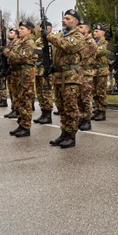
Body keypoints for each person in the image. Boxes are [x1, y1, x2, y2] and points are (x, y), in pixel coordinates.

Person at [46, 9, 85, 148]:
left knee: (70, 107)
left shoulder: (78, 36)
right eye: (64, 18)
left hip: (71, 77)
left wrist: (49, 36)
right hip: (59, 76)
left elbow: (67, 46)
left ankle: (71, 135)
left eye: (67, 18)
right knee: (61, 107)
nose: (64, 20)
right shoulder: (61, 34)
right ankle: (64, 132)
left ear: (75, 22)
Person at [3, 21, 37, 137]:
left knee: (25, 100)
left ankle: (26, 127)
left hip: (25, 74)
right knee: (17, 100)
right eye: (20, 28)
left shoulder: (29, 42)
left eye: (22, 29)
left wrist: (7, 52)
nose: (20, 30)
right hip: (16, 74)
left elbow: (21, 58)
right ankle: (21, 124)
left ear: (29, 30)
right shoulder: (19, 42)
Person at [77, 20, 97, 131]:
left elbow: (82, 55)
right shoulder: (80, 41)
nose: (78, 29)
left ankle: (87, 121)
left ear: (87, 29)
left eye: (81, 27)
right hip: (79, 73)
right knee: (79, 98)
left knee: (86, 98)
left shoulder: (90, 42)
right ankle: (81, 118)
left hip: (87, 73)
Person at [34, 21, 54, 124]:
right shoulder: (38, 40)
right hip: (38, 71)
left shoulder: (51, 41)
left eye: (49, 28)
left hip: (46, 70)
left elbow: (51, 54)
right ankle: (43, 112)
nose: (47, 31)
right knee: (40, 93)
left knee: (46, 93)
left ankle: (48, 115)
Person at [91, 24, 110, 121]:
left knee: (101, 92)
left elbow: (95, 53)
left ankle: (102, 112)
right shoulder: (94, 43)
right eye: (94, 31)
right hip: (95, 71)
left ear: (103, 33)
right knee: (94, 92)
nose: (94, 33)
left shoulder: (105, 44)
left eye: (97, 31)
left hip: (102, 71)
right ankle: (97, 109)